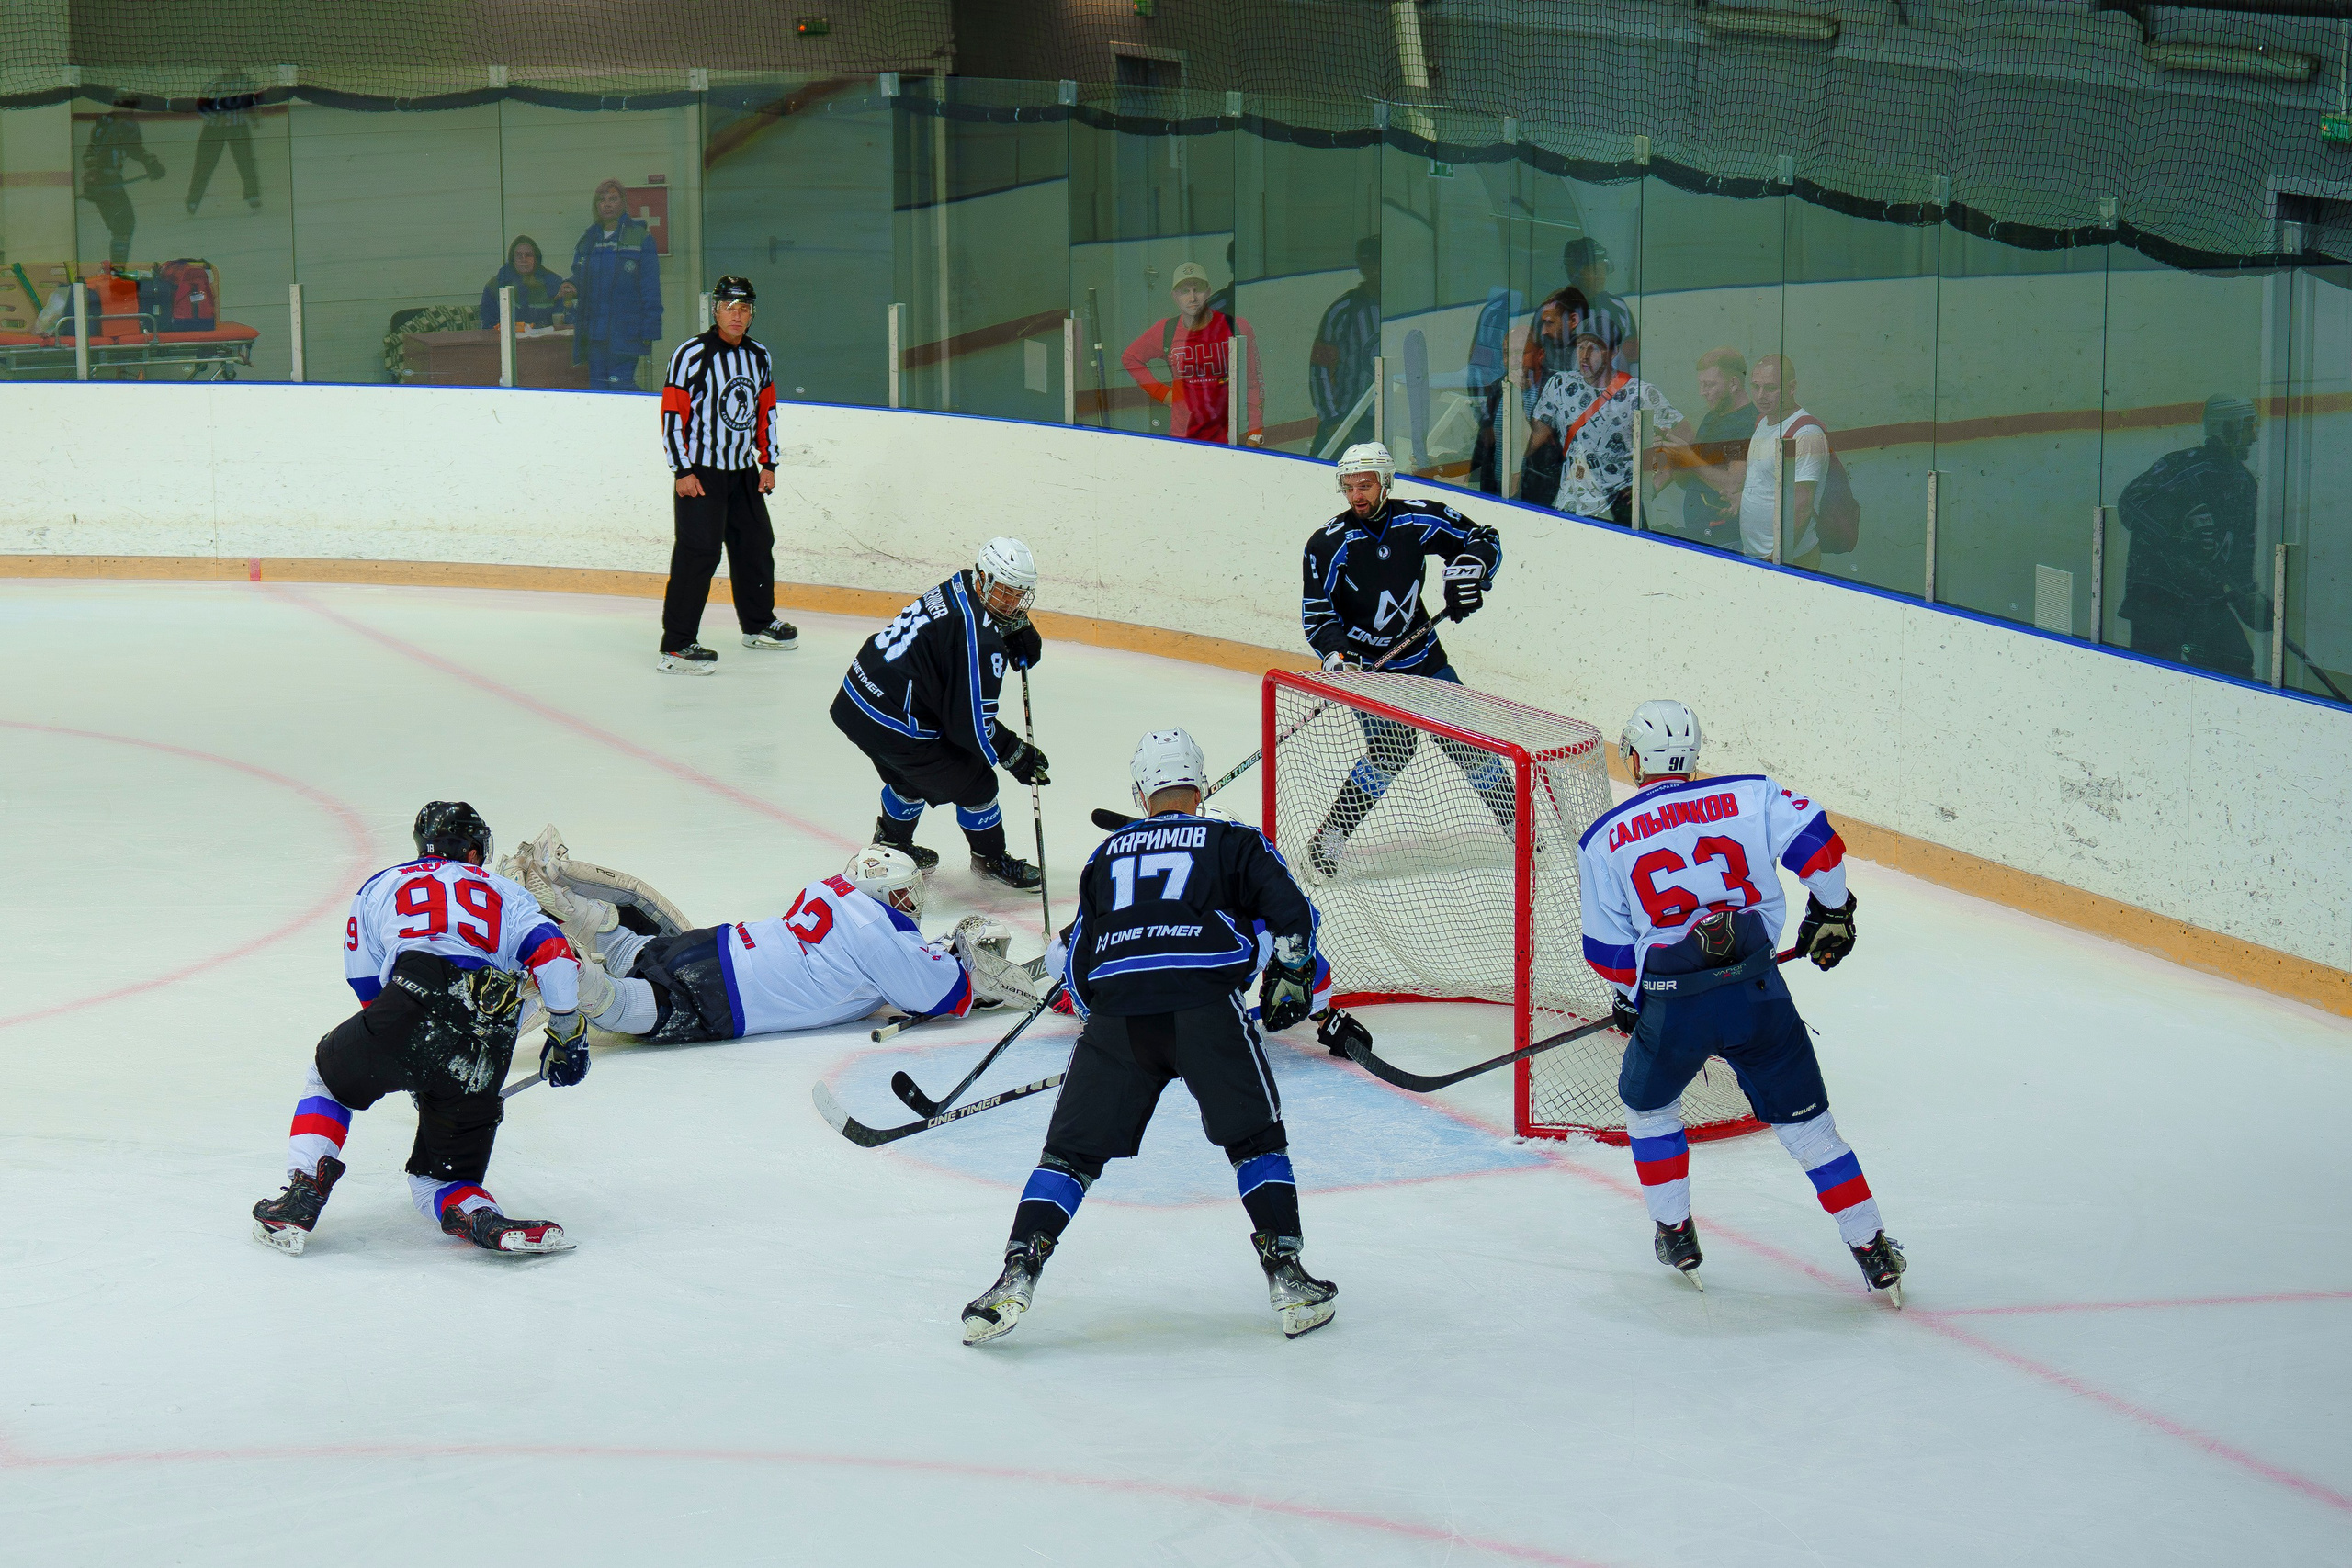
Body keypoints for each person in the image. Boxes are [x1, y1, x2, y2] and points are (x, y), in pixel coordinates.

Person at [961, 728, 1336, 1345]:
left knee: (1068, 1157)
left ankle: (1016, 1272)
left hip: (1119, 1017)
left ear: (1141, 794)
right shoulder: (1235, 840)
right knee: (1255, 1141)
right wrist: (1292, 974)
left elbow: (1079, 962)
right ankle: (1288, 1279)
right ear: (1202, 785)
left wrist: (1104, 1032)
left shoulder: (1105, 856)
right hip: (1206, 1008)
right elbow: (1292, 912)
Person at [1577, 701, 1904, 1303]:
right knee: (1810, 1130)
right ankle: (1872, 1247)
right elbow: (1819, 847)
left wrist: (1631, 996)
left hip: (1675, 1006)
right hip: (1758, 993)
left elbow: (1607, 951)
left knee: (1651, 1111)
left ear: (1635, 759)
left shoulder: (1602, 839)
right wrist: (1832, 910)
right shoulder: (1752, 795)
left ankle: (1676, 1233)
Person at [249, 803, 594, 1258]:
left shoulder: (381, 884)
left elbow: (364, 981)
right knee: (438, 1178)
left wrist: (405, 1051)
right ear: (473, 851)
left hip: (412, 997)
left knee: (329, 1079)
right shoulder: (506, 891)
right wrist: (567, 1032)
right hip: (489, 1032)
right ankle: (480, 1216)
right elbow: (555, 955)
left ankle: (304, 1191)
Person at [509, 832, 1026, 1043]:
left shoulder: (834, 886)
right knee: (623, 1005)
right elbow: (940, 994)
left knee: (638, 952)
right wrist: (972, 973)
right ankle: (569, 973)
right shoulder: (877, 933)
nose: (909, 904)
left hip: (718, 944)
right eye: (902, 895)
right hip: (729, 995)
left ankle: (574, 906)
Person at [1298, 442, 1510, 878]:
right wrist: (1337, 656)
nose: (1356, 495)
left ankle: (1520, 825)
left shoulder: (1416, 519)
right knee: (1390, 752)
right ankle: (1329, 838)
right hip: (1369, 669)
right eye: (1349, 486)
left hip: (1423, 656)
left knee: (1467, 743)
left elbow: (1483, 538)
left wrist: (1472, 567)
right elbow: (1318, 614)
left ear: (1385, 483)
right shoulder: (1327, 544)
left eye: (1365, 485)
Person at [829, 536, 1051, 891]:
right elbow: (970, 726)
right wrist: (1014, 753)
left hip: (857, 699)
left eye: (1018, 595)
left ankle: (892, 845)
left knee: (910, 774)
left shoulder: (962, 582)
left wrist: (1013, 625)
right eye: (1004, 592)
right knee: (977, 782)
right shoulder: (979, 641)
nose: (1011, 603)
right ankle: (990, 859)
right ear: (984, 579)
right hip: (893, 720)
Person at [656, 275, 797, 674]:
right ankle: (676, 645)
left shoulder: (759, 356)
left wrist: (768, 463)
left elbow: (766, 411)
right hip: (700, 473)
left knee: (756, 545)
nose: (737, 315)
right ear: (715, 310)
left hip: (743, 473)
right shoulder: (691, 354)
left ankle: (758, 624)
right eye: (730, 308)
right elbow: (672, 414)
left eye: (744, 308)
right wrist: (682, 470)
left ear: (752, 314)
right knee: (698, 554)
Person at [2117, 395, 2268, 678]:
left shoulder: (2244, 483)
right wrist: (2177, 538)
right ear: (2228, 428)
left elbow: (2240, 553)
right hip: (2158, 596)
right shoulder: (2182, 467)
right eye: (2249, 426)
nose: (2254, 437)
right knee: (2155, 674)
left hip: (2204, 599)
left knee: (2236, 662)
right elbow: (2130, 503)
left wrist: (2247, 598)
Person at [1524, 311, 1695, 526]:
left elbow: (1686, 435)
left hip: (1619, 511)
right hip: (1570, 508)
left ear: (1614, 352)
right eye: (1580, 346)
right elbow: (1531, 440)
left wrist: (1653, 483)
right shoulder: (1560, 385)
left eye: (1594, 348)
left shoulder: (1638, 393)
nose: (1584, 356)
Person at [1119, 261, 1263, 446]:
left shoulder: (1236, 326)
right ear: (1175, 296)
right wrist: (1163, 394)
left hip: (1230, 437)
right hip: (1183, 438)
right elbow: (1130, 358)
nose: (1192, 297)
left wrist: (1255, 433)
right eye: (1184, 291)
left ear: (1208, 292)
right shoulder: (1166, 330)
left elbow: (1253, 382)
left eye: (1198, 290)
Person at [1736, 355, 1829, 570]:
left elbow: (1801, 508)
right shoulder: (1763, 421)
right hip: (1754, 554)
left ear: (1791, 388)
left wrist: (1775, 560)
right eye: (1755, 386)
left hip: (1788, 560)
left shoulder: (1806, 433)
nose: (1761, 396)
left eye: (1770, 388)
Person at [571, 177, 662, 392]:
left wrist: (650, 329)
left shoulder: (640, 238)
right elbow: (578, 278)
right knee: (598, 391)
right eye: (601, 200)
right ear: (596, 206)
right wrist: (569, 285)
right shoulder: (588, 240)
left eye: (613, 199)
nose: (607, 204)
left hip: (626, 333)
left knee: (620, 386)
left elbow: (651, 289)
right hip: (594, 335)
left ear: (623, 203)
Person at [1521, 237, 1636, 395]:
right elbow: (1533, 358)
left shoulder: (1618, 307)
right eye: (1592, 269)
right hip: (1561, 400)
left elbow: (1631, 357)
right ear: (1572, 271)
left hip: (1607, 400)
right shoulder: (1551, 309)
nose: (1600, 275)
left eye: (1602, 267)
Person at [1672, 347, 1760, 551]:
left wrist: (1689, 458)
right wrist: (1674, 457)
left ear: (1733, 384)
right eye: (1701, 384)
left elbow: (1733, 484)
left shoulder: (1750, 423)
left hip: (1728, 540)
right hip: (1699, 534)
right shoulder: (1711, 417)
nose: (1702, 392)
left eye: (1709, 384)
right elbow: (1690, 481)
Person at [1307, 237, 1381, 457]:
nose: (1374, 267)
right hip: (1347, 419)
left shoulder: (1399, 308)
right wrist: (1331, 420)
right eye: (1368, 261)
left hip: (1386, 421)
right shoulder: (1343, 311)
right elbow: (1319, 369)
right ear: (1361, 265)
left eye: (1378, 260)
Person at [79, 95, 164, 268]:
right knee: (124, 224)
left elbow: (135, 149)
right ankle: (117, 271)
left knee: (123, 225)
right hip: (104, 183)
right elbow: (92, 151)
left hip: (112, 182)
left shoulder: (129, 124)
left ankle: (117, 270)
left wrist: (150, 163)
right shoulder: (107, 123)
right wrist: (92, 176)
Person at [186, 69, 262, 215]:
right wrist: (214, 118)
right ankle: (193, 199)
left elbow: (253, 102)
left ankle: (253, 195)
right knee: (204, 164)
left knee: (246, 161)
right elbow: (200, 106)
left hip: (238, 127)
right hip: (213, 129)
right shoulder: (214, 84)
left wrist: (254, 115)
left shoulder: (247, 83)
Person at [478, 235, 575, 330]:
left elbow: (567, 321)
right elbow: (487, 325)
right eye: (518, 255)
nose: (523, 259)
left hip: (545, 338)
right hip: (506, 339)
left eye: (528, 255)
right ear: (512, 259)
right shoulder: (496, 285)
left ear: (536, 258)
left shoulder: (553, 283)